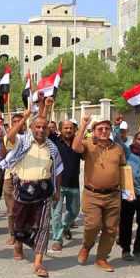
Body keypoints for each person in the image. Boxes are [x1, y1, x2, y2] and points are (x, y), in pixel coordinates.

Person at [1, 109, 63, 277]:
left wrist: (56, 190)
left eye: (44, 127)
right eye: (37, 127)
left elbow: (58, 170)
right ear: (31, 128)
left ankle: (38, 263)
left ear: (48, 130)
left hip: (44, 192)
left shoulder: (52, 148)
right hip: (22, 190)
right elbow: (8, 137)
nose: (41, 130)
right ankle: (19, 244)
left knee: (43, 226)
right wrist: (25, 117)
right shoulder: (23, 142)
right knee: (20, 223)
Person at [72, 113, 126, 272]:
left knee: (111, 229)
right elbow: (75, 147)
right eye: (100, 128)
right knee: (92, 225)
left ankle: (101, 258)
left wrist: (128, 192)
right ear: (94, 131)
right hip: (92, 194)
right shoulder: (89, 144)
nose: (103, 131)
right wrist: (83, 125)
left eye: (106, 128)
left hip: (113, 195)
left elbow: (124, 170)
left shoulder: (117, 148)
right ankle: (86, 246)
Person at [41, 98, 82, 252]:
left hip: (74, 185)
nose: (68, 131)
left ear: (74, 130)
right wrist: (47, 106)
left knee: (74, 211)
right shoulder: (53, 141)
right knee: (56, 214)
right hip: (57, 185)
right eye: (65, 128)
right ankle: (57, 239)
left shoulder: (79, 144)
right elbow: (43, 124)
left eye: (71, 128)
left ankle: (65, 227)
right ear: (60, 129)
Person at [113, 122, 140, 263]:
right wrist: (117, 127)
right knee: (126, 222)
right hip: (128, 192)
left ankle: (138, 251)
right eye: (139, 139)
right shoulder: (128, 152)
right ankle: (126, 250)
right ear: (135, 140)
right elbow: (117, 139)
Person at [3, 114, 26, 246]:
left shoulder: (30, 137)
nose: (18, 123)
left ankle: (24, 233)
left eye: (21, 121)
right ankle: (13, 234)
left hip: (26, 178)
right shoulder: (10, 137)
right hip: (10, 178)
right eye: (15, 122)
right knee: (11, 210)